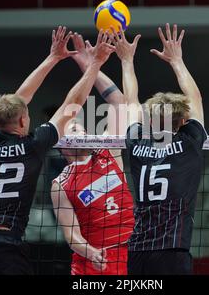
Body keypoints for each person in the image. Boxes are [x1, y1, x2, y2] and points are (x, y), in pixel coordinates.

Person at [0, 27, 115, 275]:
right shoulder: (32, 145)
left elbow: (18, 99)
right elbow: (71, 106)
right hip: (4, 244)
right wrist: (95, 63)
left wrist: (52, 57)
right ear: (22, 121)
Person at [110, 24, 207, 275]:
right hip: (172, 251)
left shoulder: (137, 143)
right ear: (183, 122)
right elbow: (195, 97)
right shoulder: (189, 142)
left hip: (138, 249)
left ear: (149, 120)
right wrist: (177, 60)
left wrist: (126, 60)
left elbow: (130, 101)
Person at [51, 33, 134, 275]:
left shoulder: (108, 151)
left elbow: (120, 103)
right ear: (62, 143)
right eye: (73, 128)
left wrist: (89, 65)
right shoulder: (61, 184)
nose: (81, 130)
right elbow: (71, 233)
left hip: (132, 251)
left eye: (82, 126)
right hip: (96, 260)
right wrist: (91, 252)